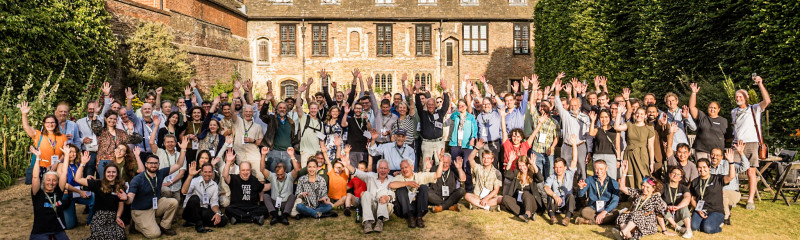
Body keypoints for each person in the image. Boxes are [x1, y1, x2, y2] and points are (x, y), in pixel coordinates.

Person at [125, 136, 188, 238]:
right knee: (155, 234)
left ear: (158, 165)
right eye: (150, 163)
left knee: (173, 202)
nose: (153, 165)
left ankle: (165, 226)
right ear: (145, 164)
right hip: (141, 210)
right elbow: (130, 199)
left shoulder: (160, 173)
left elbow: (179, 164)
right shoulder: (138, 179)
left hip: (154, 205)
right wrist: (126, 198)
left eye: (155, 163)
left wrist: (183, 149)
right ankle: (136, 225)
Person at [731, 75, 770, 210]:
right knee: (732, 170)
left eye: (740, 96)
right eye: (736, 97)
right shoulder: (733, 112)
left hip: (752, 143)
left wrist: (760, 84)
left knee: (751, 172)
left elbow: (767, 100)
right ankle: (733, 195)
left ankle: (750, 200)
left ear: (746, 98)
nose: (738, 98)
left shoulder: (754, 109)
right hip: (737, 144)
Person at [74, 152, 127, 240]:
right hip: (99, 216)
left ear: (117, 174)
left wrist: (118, 217)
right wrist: (83, 164)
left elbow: (121, 205)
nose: (111, 174)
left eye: (113, 172)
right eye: (108, 172)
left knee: (120, 236)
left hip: (113, 217)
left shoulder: (120, 186)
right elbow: (78, 179)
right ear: (105, 173)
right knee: (103, 236)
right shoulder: (98, 183)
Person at [614, 160, 667, 240]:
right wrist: (624, 173)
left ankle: (623, 233)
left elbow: (660, 215)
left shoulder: (656, 198)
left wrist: (664, 230)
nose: (644, 189)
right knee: (622, 217)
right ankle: (629, 237)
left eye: (647, 187)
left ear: (653, 188)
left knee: (637, 214)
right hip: (633, 219)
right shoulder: (639, 193)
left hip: (647, 221)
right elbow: (622, 188)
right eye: (643, 186)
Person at [552, 75, 591, 180]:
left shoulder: (585, 117)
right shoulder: (566, 115)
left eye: (575, 105)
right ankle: (568, 191)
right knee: (566, 170)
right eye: (571, 105)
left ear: (579, 105)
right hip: (567, 147)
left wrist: (589, 150)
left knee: (582, 170)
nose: (573, 107)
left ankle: (583, 193)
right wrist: (557, 92)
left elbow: (588, 135)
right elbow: (558, 105)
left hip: (581, 146)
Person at [344, 157, 396, 233]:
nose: (383, 170)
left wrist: (388, 197)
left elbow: (394, 193)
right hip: (370, 209)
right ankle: (367, 222)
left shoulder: (392, 179)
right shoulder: (370, 176)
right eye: (381, 168)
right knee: (365, 194)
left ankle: (380, 221)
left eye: (385, 168)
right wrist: (347, 165)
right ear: (377, 169)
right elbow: (358, 172)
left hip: (385, 208)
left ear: (388, 170)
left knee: (382, 193)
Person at [389, 157, 444, 228]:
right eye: (402, 168)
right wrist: (407, 183)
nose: (404, 170)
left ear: (411, 167)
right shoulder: (399, 177)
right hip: (403, 209)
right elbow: (391, 185)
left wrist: (441, 161)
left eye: (406, 167)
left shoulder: (419, 176)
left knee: (423, 187)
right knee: (401, 189)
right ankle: (410, 217)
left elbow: (437, 175)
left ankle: (419, 217)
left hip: (417, 207)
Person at [28, 146, 69, 240]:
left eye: (54, 180)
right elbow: (35, 177)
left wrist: (66, 155)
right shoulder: (37, 193)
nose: (51, 183)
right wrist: (38, 157)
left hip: (58, 230)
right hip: (41, 232)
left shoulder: (58, 191)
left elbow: (64, 174)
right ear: (43, 181)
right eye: (48, 180)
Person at [690, 156, 738, 234]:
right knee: (693, 227)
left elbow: (731, 176)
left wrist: (731, 162)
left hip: (716, 211)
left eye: (704, 167)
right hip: (700, 210)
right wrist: (698, 210)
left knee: (707, 229)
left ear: (709, 168)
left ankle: (718, 227)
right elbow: (692, 199)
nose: (702, 169)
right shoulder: (695, 182)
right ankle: (705, 222)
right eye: (699, 167)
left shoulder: (717, 179)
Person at [222, 149, 268, 225]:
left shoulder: (253, 179)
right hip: (237, 207)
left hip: (252, 208)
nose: (245, 172)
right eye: (243, 170)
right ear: (239, 170)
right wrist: (228, 162)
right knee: (228, 210)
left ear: (250, 170)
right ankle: (253, 218)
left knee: (264, 210)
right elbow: (225, 175)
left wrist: (276, 183)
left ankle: (239, 219)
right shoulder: (234, 178)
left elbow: (263, 187)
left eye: (247, 170)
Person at [708, 142, 749, 225]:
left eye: (717, 155)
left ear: (722, 157)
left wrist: (741, 153)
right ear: (710, 156)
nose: (714, 157)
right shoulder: (708, 168)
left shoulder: (728, 164)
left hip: (732, 193)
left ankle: (725, 217)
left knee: (721, 193)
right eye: (712, 154)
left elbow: (745, 167)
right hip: (715, 195)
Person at [20, 101, 67, 172]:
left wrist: (57, 163)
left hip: (58, 167)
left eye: (52, 122)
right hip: (42, 167)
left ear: (56, 124)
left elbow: (65, 153)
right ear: (44, 124)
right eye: (47, 122)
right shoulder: (38, 135)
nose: (50, 124)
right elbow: (26, 127)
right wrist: (24, 114)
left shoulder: (63, 136)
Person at [181, 162, 227, 233]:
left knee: (223, 220)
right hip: (189, 211)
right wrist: (190, 176)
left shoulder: (214, 185)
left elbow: (214, 203)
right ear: (201, 172)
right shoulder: (194, 181)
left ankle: (194, 222)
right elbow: (184, 191)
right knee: (195, 198)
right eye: (205, 172)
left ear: (212, 173)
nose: (207, 174)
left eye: (209, 172)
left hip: (201, 210)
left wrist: (217, 213)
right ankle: (199, 224)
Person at [148, 117, 187, 203]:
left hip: (176, 187)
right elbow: (151, 142)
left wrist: (170, 182)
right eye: (168, 142)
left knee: (175, 206)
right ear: (164, 143)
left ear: (175, 143)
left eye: (172, 142)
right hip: (163, 187)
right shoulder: (160, 152)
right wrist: (156, 126)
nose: (170, 144)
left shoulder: (181, 155)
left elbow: (181, 173)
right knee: (166, 193)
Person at [615, 106, 655, 188]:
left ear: (645, 116)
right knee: (630, 175)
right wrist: (619, 113)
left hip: (642, 154)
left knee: (643, 175)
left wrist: (651, 163)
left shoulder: (649, 129)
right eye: (637, 113)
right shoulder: (629, 125)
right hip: (629, 154)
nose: (639, 115)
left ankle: (644, 194)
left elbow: (651, 147)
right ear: (634, 115)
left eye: (641, 114)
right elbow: (616, 127)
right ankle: (632, 196)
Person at [259, 146, 300, 225]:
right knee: (266, 196)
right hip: (275, 203)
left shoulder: (290, 177)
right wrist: (263, 155)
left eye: (281, 174)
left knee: (292, 196)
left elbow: (296, 169)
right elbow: (262, 169)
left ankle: (284, 216)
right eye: (278, 175)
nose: (280, 176)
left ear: (285, 171)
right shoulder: (272, 176)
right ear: (275, 172)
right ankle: (274, 215)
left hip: (286, 204)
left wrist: (292, 156)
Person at [544, 136, 580, 226]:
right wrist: (554, 195)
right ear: (553, 168)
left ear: (565, 168)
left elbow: (574, 160)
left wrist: (574, 145)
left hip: (566, 204)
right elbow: (546, 187)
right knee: (550, 196)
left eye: (560, 167)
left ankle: (567, 218)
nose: (558, 169)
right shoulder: (552, 177)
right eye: (556, 167)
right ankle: (552, 217)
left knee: (571, 196)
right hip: (556, 204)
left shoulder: (569, 174)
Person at [688, 83, 728, 160]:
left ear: (719, 110)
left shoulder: (724, 121)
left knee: (715, 172)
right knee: (702, 170)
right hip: (701, 151)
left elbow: (728, 137)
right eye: (710, 107)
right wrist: (693, 93)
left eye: (714, 108)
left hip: (716, 153)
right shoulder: (702, 117)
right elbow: (692, 107)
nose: (712, 109)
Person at [415, 78, 450, 166]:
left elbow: (446, 104)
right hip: (427, 143)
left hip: (438, 142)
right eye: (429, 104)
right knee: (426, 165)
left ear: (435, 105)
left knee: (440, 164)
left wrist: (445, 90)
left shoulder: (440, 113)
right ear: (426, 105)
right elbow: (418, 104)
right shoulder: (423, 114)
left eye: (432, 104)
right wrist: (417, 91)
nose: (430, 106)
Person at [60, 144, 95, 229]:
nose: (73, 154)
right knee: (70, 226)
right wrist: (80, 191)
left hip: (77, 193)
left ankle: (89, 222)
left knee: (93, 196)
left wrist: (86, 178)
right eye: (70, 152)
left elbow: (79, 180)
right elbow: (64, 185)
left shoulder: (78, 165)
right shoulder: (61, 165)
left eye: (74, 152)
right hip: (67, 195)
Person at [575, 160, 620, 226]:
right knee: (584, 211)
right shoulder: (589, 180)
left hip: (607, 209)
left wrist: (604, 212)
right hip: (593, 208)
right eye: (596, 169)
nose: (598, 171)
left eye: (601, 169)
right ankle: (605, 221)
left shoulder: (614, 183)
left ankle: (586, 221)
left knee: (616, 213)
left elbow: (615, 201)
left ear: (606, 168)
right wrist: (581, 188)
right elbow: (580, 195)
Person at [501, 154, 544, 223]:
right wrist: (510, 161)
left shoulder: (532, 174)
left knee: (526, 193)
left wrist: (533, 164)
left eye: (524, 165)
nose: (522, 168)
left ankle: (527, 213)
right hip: (519, 202)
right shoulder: (516, 173)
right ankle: (527, 215)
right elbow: (507, 175)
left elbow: (540, 179)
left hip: (531, 202)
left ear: (528, 165)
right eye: (520, 165)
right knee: (505, 198)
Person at [448, 99, 478, 190]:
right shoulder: (456, 115)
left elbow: (475, 129)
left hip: (467, 144)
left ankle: (468, 187)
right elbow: (451, 117)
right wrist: (457, 111)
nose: (461, 107)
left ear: (466, 106)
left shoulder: (471, 117)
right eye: (459, 105)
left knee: (466, 165)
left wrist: (473, 138)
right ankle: (456, 186)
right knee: (455, 165)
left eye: (462, 105)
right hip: (455, 144)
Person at [464, 139, 503, 210]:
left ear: (492, 160)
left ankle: (477, 205)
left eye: (488, 158)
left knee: (501, 198)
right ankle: (487, 207)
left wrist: (486, 199)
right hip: (478, 196)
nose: (486, 160)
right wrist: (476, 148)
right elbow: (470, 159)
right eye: (484, 158)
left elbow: (496, 190)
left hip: (490, 197)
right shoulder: (478, 168)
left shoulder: (497, 172)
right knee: (467, 195)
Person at [656, 167, 693, 238]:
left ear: (680, 178)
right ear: (669, 175)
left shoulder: (683, 187)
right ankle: (676, 226)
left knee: (684, 205)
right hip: (667, 215)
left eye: (678, 175)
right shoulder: (664, 186)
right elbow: (657, 196)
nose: (675, 176)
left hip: (679, 216)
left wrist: (677, 207)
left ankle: (688, 230)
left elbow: (687, 198)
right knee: (660, 202)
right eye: (673, 173)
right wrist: (665, 206)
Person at [530, 100, 560, 179]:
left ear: (550, 108)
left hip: (548, 152)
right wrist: (532, 89)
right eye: (541, 106)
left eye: (545, 106)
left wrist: (552, 147)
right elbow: (532, 106)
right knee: (537, 174)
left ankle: (548, 190)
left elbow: (557, 137)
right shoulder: (536, 118)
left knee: (549, 175)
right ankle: (538, 191)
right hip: (536, 151)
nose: (542, 108)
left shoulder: (555, 122)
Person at [588, 110, 622, 180]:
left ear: (609, 118)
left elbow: (617, 146)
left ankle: (610, 191)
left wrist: (618, 159)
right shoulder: (597, 130)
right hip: (598, 155)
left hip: (611, 156)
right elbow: (591, 133)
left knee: (612, 178)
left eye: (606, 117)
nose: (604, 119)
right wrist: (592, 120)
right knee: (598, 178)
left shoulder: (615, 130)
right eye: (602, 117)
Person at [341, 100, 373, 168]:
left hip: (362, 149)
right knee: (353, 170)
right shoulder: (350, 119)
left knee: (362, 170)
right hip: (352, 149)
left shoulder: (364, 120)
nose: (358, 110)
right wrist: (346, 113)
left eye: (360, 109)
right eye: (356, 108)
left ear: (362, 110)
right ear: (354, 109)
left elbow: (370, 129)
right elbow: (343, 124)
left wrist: (367, 120)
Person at [76, 101, 103, 177]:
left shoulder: (102, 120)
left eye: (93, 109)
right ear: (87, 109)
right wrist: (82, 140)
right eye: (90, 109)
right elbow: (76, 138)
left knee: (101, 176)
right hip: (88, 153)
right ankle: (86, 189)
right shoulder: (80, 122)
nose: (92, 111)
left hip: (101, 152)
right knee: (88, 176)